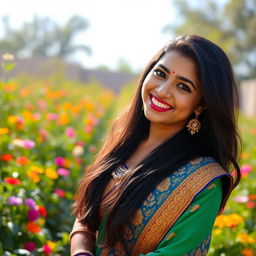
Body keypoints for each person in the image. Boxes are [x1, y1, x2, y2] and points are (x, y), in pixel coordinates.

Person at [69, 35, 241, 256]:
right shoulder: (122, 143)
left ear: (201, 105)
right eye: (160, 74)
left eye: (183, 87)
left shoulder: (203, 182)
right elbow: (85, 218)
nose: (161, 91)